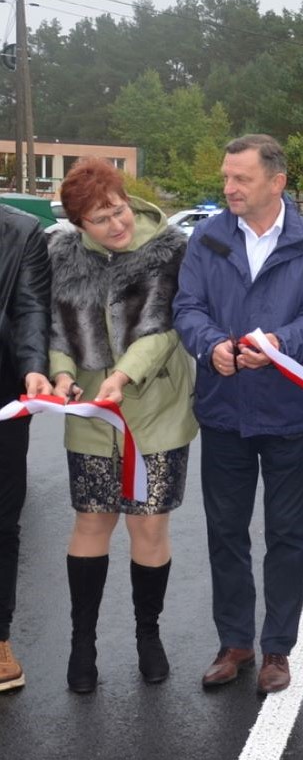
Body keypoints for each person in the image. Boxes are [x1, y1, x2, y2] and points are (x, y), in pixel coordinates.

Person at [174, 135, 303, 695]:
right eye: (226, 177)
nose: (229, 188)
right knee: (225, 531)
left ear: (277, 182)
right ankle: (235, 642)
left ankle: (277, 649)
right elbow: (187, 307)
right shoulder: (208, 235)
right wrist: (210, 345)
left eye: (241, 178)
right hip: (224, 411)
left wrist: (275, 344)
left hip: (290, 411)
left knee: (288, 534)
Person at [48, 161, 197, 693]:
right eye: (99, 219)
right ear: (78, 225)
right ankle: (81, 643)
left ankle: (146, 634)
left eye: (118, 209)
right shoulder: (60, 255)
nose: (116, 224)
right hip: (90, 410)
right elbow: (56, 329)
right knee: (92, 521)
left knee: (149, 525)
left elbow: (165, 327)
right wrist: (63, 375)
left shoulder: (171, 249)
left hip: (155, 407)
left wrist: (124, 375)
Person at [0, 203, 51, 692]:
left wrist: (33, 366)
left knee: (1, 520)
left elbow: (31, 307)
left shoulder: (22, 230)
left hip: (3, 397)